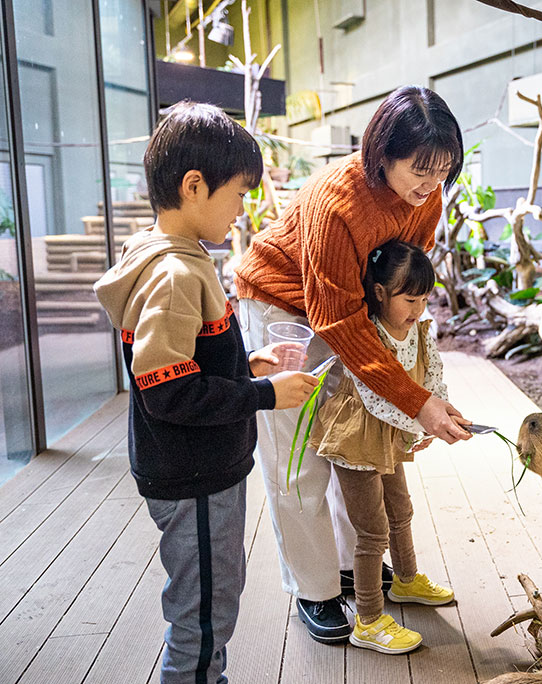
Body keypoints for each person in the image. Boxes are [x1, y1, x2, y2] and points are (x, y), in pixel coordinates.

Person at [234, 85, 472, 644]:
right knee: (297, 451)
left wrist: (413, 395)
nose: (431, 186)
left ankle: (349, 564)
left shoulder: (426, 199)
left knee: (352, 437)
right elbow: (337, 321)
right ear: (382, 153)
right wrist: (415, 402)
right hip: (283, 306)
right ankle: (314, 589)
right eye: (420, 170)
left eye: (443, 172)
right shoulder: (336, 202)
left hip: (351, 309)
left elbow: (393, 287)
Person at [93, 101, 320, 683]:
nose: (242, 208)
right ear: (194, 187)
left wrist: (245, 366)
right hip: (194, 474)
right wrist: (263, 394)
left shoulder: (176, 256)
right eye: (238, 194)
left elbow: (186, 361)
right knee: (202, 617)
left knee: (214, 596)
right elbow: (168, 393)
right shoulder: (173, 275)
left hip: (199, 467)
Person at [309, 240, 454, 654]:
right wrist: (422, 423)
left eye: (424, 299)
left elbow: (434, 378)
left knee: (400, 509)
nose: (418, 309)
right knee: (372, 531)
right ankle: (368, 619)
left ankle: (406, 580)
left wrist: (444, 413)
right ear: (379, 292)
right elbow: (376, 400)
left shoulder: (420, 331)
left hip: (391, 434)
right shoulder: (367, 336)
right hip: (355, 438)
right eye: (409, 300)